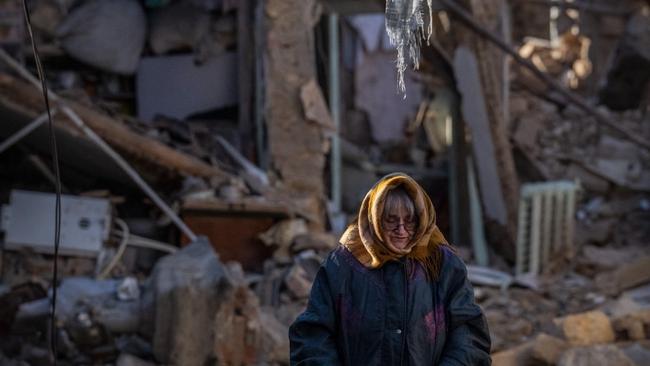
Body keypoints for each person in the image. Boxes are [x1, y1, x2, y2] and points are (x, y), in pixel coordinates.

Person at [289, 173, 491, 365]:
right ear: (374, 219)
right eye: (391, 220)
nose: (401, 230)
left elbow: (469, 335)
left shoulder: (442, 264)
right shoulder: (343, 264)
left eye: (410, 221)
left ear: (422, 219)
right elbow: (313, 337)